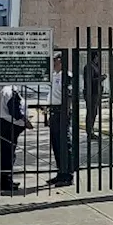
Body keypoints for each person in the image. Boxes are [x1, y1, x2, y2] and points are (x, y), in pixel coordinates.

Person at [0, 82, 31, 192]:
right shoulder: (10, 91)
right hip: (7, 125)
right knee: (8, 154)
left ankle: (4, 180)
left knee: (2, 153)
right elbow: (15, 112)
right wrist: (25, 121)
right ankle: (6, 182)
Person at [46, 53, 74, 186]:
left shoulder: (66, 76)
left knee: (64, 143)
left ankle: (67, 174)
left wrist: (66, 113)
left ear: (61, 62)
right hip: (53, 111)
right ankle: (60, 171)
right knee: (56, 143)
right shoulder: (54, 75)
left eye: (55, 61)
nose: (53, 63)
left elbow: (69, 95)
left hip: (62, 112)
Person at [83, 50, 105, 141]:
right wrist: (101, 78)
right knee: (91, 112)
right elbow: (90, 80)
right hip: (91, 93)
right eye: (97, 57)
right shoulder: (89, 66)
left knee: (94, 112)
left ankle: (91, 131)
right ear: (94, 57)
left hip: (96, 92)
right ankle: (89, 132)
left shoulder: (95, 66)